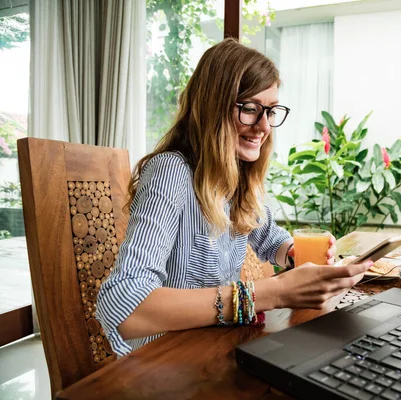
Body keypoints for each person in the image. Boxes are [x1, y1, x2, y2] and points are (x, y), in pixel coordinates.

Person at [96, 38, 371, 356]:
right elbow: (124, 305)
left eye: (271, 111)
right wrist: (271, 293)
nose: (264, 126)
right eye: (251, 109)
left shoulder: (236, 178)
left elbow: (270, 238)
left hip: (216, 348)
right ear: (212, 106)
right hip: (165, 360)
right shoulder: (171, 172)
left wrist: (295, 252)